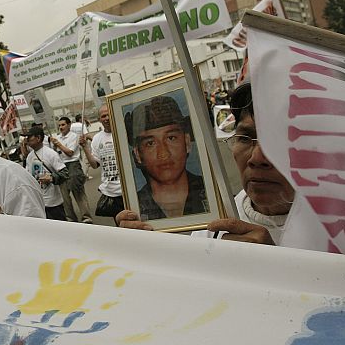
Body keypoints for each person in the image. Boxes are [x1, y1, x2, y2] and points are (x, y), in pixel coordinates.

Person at [117, 82, 295, 245]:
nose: (256, 158)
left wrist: (277, 265)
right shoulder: (214, 224)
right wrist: (137, 249)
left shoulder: (322, 228)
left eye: (276, 140)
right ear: (137, 154)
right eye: (245, 138)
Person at [125, 96, 207, 220]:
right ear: (137, 154)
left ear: (187, 142)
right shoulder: (134, 208)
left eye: (171, 138)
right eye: (150, 143)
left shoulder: (214, 195)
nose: (163, 153)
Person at [80, 104, 124, 220]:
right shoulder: (97, 139)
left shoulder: (124, 132)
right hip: (112, 192)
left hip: (129, 190)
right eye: (103, 116)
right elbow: (95, 165)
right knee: (121, 226)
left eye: (108, 115)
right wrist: (85, 147)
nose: (106, 118)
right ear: (99, 119)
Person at [20, 126, 69, 221]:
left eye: (30, 137)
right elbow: (28, 175)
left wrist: (51, 178)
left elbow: (65, 173)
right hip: (39, 203)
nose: (27, 139)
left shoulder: (51, 154)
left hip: (53, 203)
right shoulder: (30, 156)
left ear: (38, 138)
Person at [51, 117, 93, 223]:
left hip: (73, 166)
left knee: (78, 192)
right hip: (61, 167)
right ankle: (70, 217)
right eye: (59, 125)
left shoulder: (74, 136)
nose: (61, 127)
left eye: (63, 125)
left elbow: (70, 153)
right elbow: (55, 154)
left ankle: (86, 217)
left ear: (69, 125)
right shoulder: (57, 137)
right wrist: (55, 147)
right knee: (64, 196)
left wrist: (59, 145)